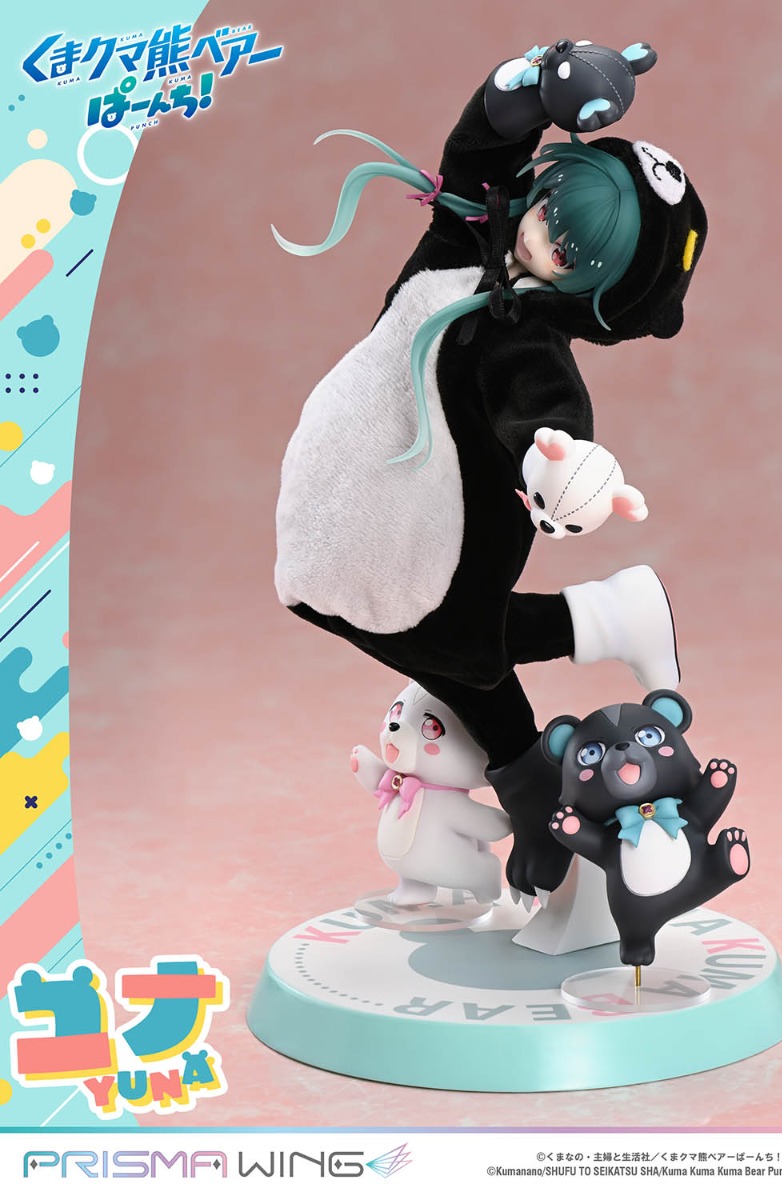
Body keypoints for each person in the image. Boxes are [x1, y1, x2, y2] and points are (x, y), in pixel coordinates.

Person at [272, 52, 707, 900]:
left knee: (452, 641)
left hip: (432, 527)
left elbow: (540, 412)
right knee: (429, 635)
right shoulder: (470, 233)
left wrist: (559, 461)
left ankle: (537, 783)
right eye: (551, 207)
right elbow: (478, 152)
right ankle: (601, 628)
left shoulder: (525, 336)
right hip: (355, 496)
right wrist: (537, 82)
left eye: (571, 248)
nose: (538, 236)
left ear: (605, 287)